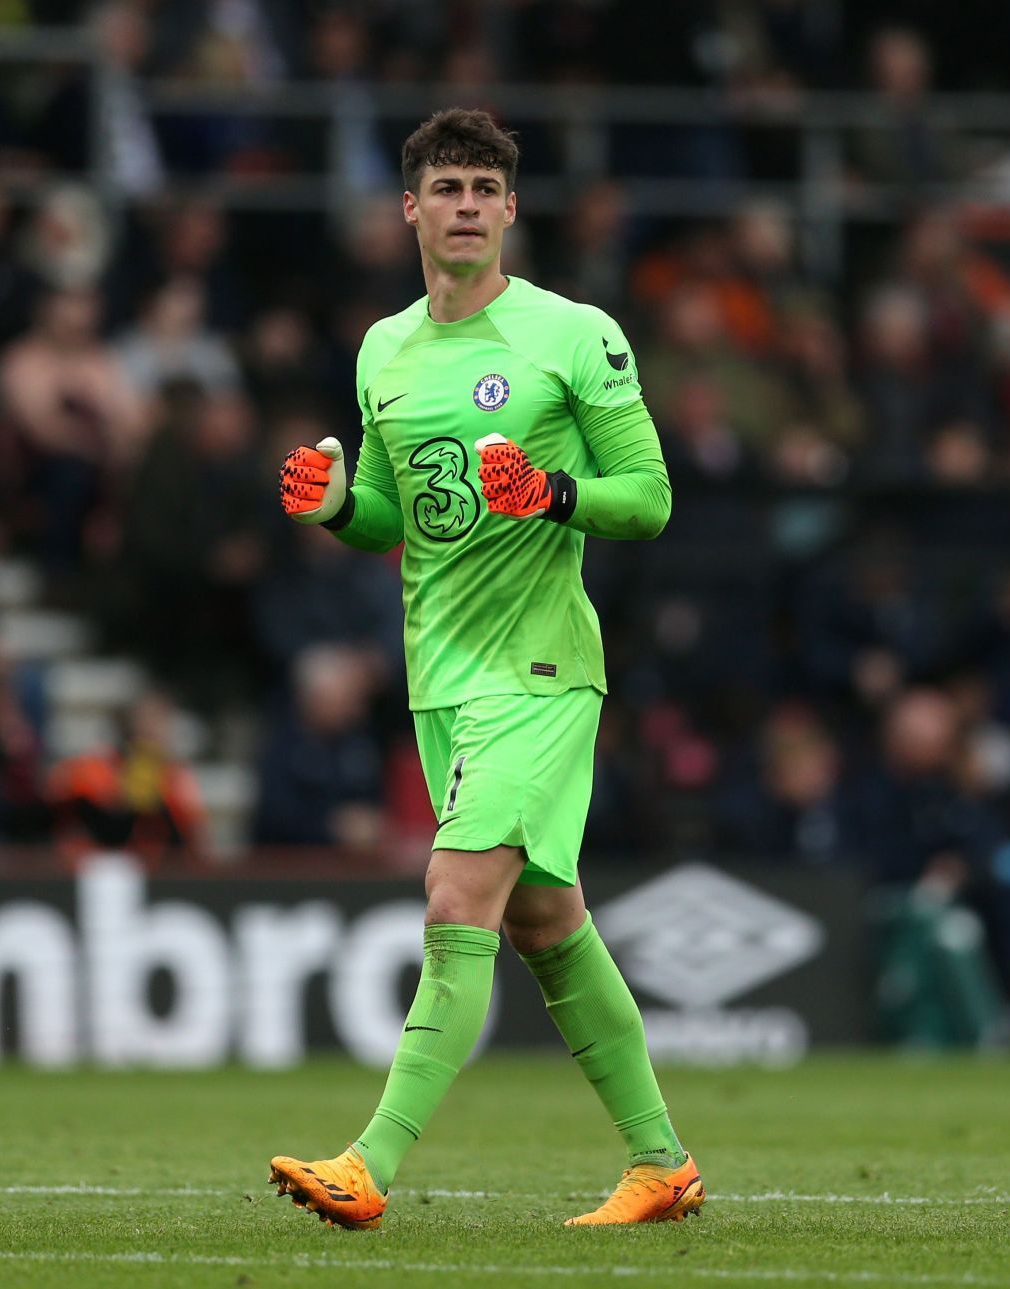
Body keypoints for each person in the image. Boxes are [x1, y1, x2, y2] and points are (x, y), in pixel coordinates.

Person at [268, 107, 697, 1230]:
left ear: (510, 210)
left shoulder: (573, 334)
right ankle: (661, 1162)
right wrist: (334, 511)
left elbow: (647, 499)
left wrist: (552, 492)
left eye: (484, 189)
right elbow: (397, 519)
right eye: (445, 187)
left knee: (456, 896)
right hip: (441, 679)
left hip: (543, 668)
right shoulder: (383, 349)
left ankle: (369, 1162)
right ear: (409, 208)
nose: (465, 206)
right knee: (547, 920)